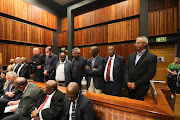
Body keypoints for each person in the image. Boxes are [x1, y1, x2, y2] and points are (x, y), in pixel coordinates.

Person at [125, 36, 157, 101]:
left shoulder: (151, 57)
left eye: (138, 43)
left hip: (141, 88)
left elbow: (150, 73)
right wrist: (127, 82)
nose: (135, 45)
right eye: (135, 43)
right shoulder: (131, 56)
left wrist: (136, 84)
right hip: (129, 87)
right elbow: (126, 69)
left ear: (144, 44)